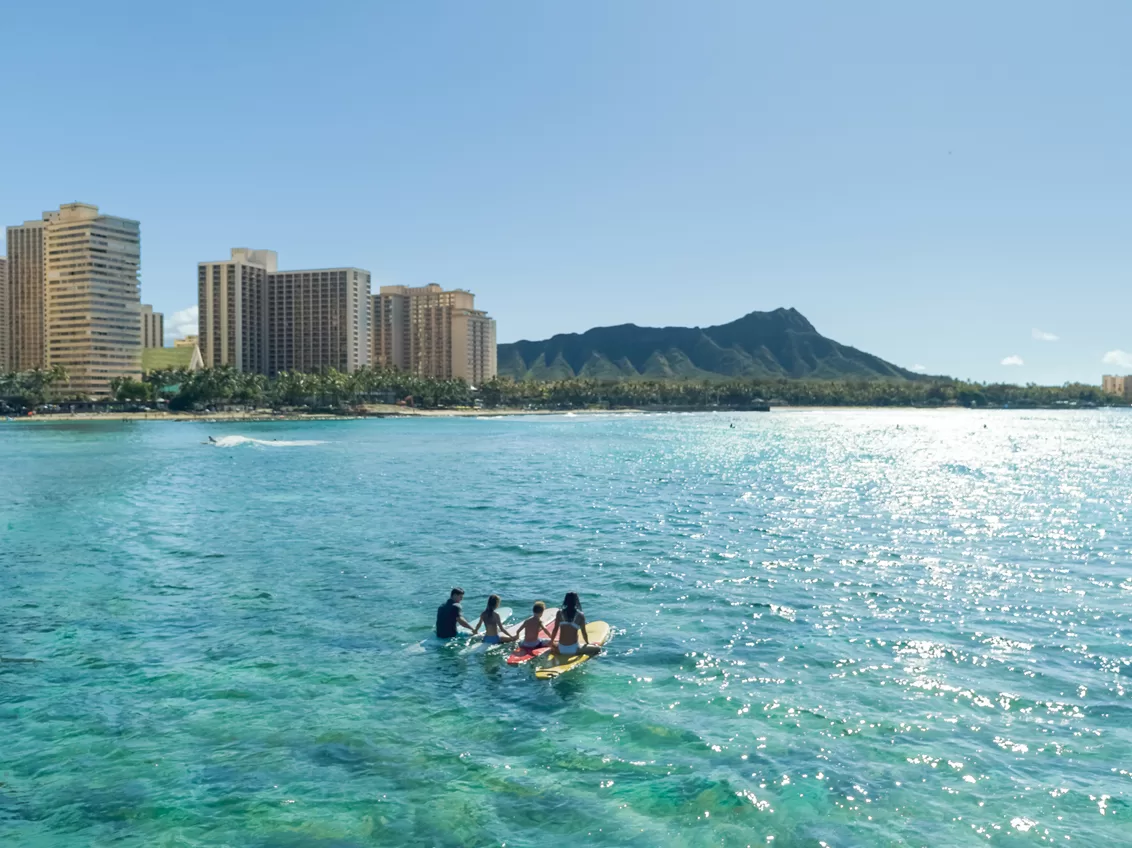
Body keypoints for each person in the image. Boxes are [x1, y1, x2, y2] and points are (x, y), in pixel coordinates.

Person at [550, 591, 601, 657]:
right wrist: (588, 643)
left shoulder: (559, 613)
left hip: (561, 648)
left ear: (566, 601)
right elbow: (584, 633)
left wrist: (551, 642)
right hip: (574, 649)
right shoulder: (580, 615)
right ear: (576, 601)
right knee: (598, 648)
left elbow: (555, 629)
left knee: (555, 643)